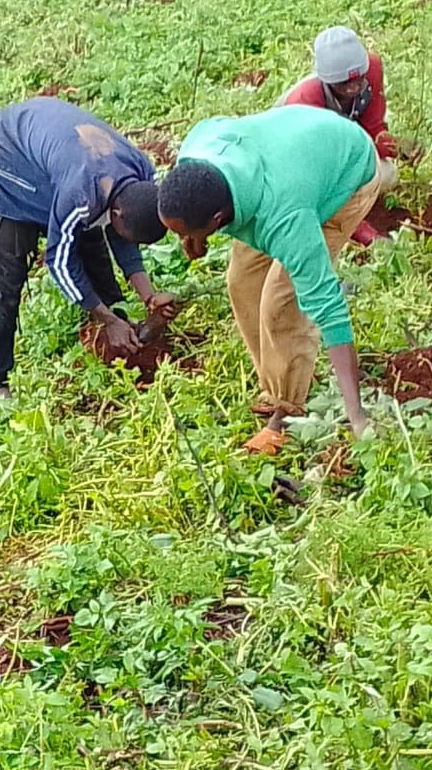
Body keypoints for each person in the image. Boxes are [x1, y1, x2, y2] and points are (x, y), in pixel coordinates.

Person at [157, 106, 378, 454]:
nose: (182, 240)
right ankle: (284, 377)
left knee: (281, 303)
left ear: (217, 219)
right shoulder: (196, 153)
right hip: (292, 148)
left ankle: (284, 411)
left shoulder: (287, 217)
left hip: (347, 173)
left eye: (187, 233)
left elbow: (327, 304)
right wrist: (193, 236)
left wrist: (357, 414)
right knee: (241, 282)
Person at [0, 97, 179, 402]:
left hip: (58, 159)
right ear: (115, 213)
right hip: (6, 159)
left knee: (93, 253)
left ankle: (116, 336)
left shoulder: (141, 172)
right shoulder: (80, 194)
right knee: (5, 282)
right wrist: (108, 320)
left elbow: (124, 237)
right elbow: (58, 261)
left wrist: (149, 297)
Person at [278, 26, 399, 246]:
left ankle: (357, 203)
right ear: (328, 81)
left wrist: (389, 143)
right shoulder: (303, 104)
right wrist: (357, 227)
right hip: (297, 162)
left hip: (342, 146)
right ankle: (344, 220)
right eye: (344, 84)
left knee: (387, 173)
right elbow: (315, 172)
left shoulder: (371, 70)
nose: (354, 88)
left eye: (358, 80)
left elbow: (373, 126)